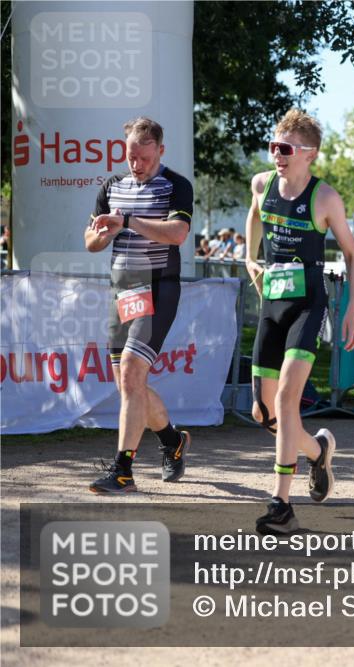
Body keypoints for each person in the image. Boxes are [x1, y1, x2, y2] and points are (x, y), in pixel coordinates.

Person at [244, 109, 354, 533]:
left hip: (308, 304)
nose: (277, 155)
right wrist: (249, 256)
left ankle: (281, 504)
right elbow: (255, 213)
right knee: (264, 414)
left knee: (286, 402)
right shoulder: (262, 183)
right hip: (272, 303)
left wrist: (351, 309)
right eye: (274, 146)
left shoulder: (325, 198)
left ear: (309, 155)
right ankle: (317, 452)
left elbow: (353, 254)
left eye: (286, 149)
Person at [84, 117, 194, 494]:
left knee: (132, 372)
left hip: (158, 287)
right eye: (131, 156)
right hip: (123, 291)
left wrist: (128, 220)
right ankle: (171, 440)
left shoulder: (176, 185)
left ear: (160, 151)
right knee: (128, 383)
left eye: (144, 158)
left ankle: (123, 471)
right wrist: (101, 235)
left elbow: (177, 233)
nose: (136, 164)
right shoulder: (112, 187)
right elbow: (91, 240)